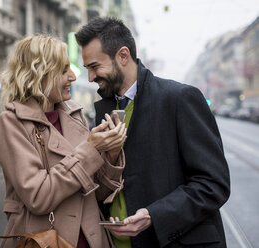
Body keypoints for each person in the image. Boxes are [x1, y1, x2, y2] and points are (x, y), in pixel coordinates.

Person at [75, 17, 230, 248]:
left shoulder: (180, 98)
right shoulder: (103, 110)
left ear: (123, 56)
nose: (90, 77)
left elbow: (213, 183)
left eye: (95, 66)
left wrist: (154, 215)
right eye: (87, 68)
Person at [0, 35, 128, 248]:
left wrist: (110, 152)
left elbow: (97, 193)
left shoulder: (74, 114)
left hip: (92, 240)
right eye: (64, 70)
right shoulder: (12, 122)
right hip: (46, 241)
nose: (73, 77)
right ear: (39, 74)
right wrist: (91, 148)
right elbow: (38, 197)